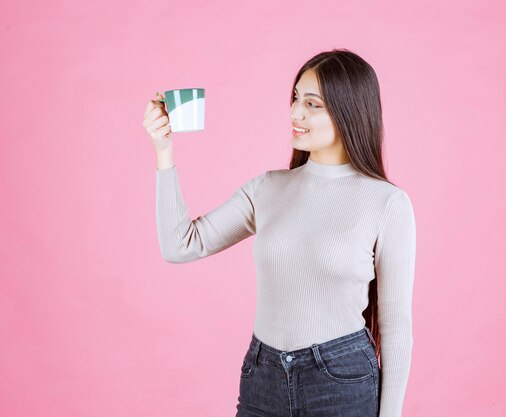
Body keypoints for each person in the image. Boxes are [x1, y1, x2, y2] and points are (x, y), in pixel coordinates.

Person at [142, 48, 416, 417]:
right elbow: (180, 246)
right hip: (263, 377)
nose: (295, 113)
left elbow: (395, 326)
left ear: (349, 110)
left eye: (312, 104)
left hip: (340, 381)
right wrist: (164, 151)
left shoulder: (387, 204)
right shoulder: (267, 189)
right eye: (295, 99)